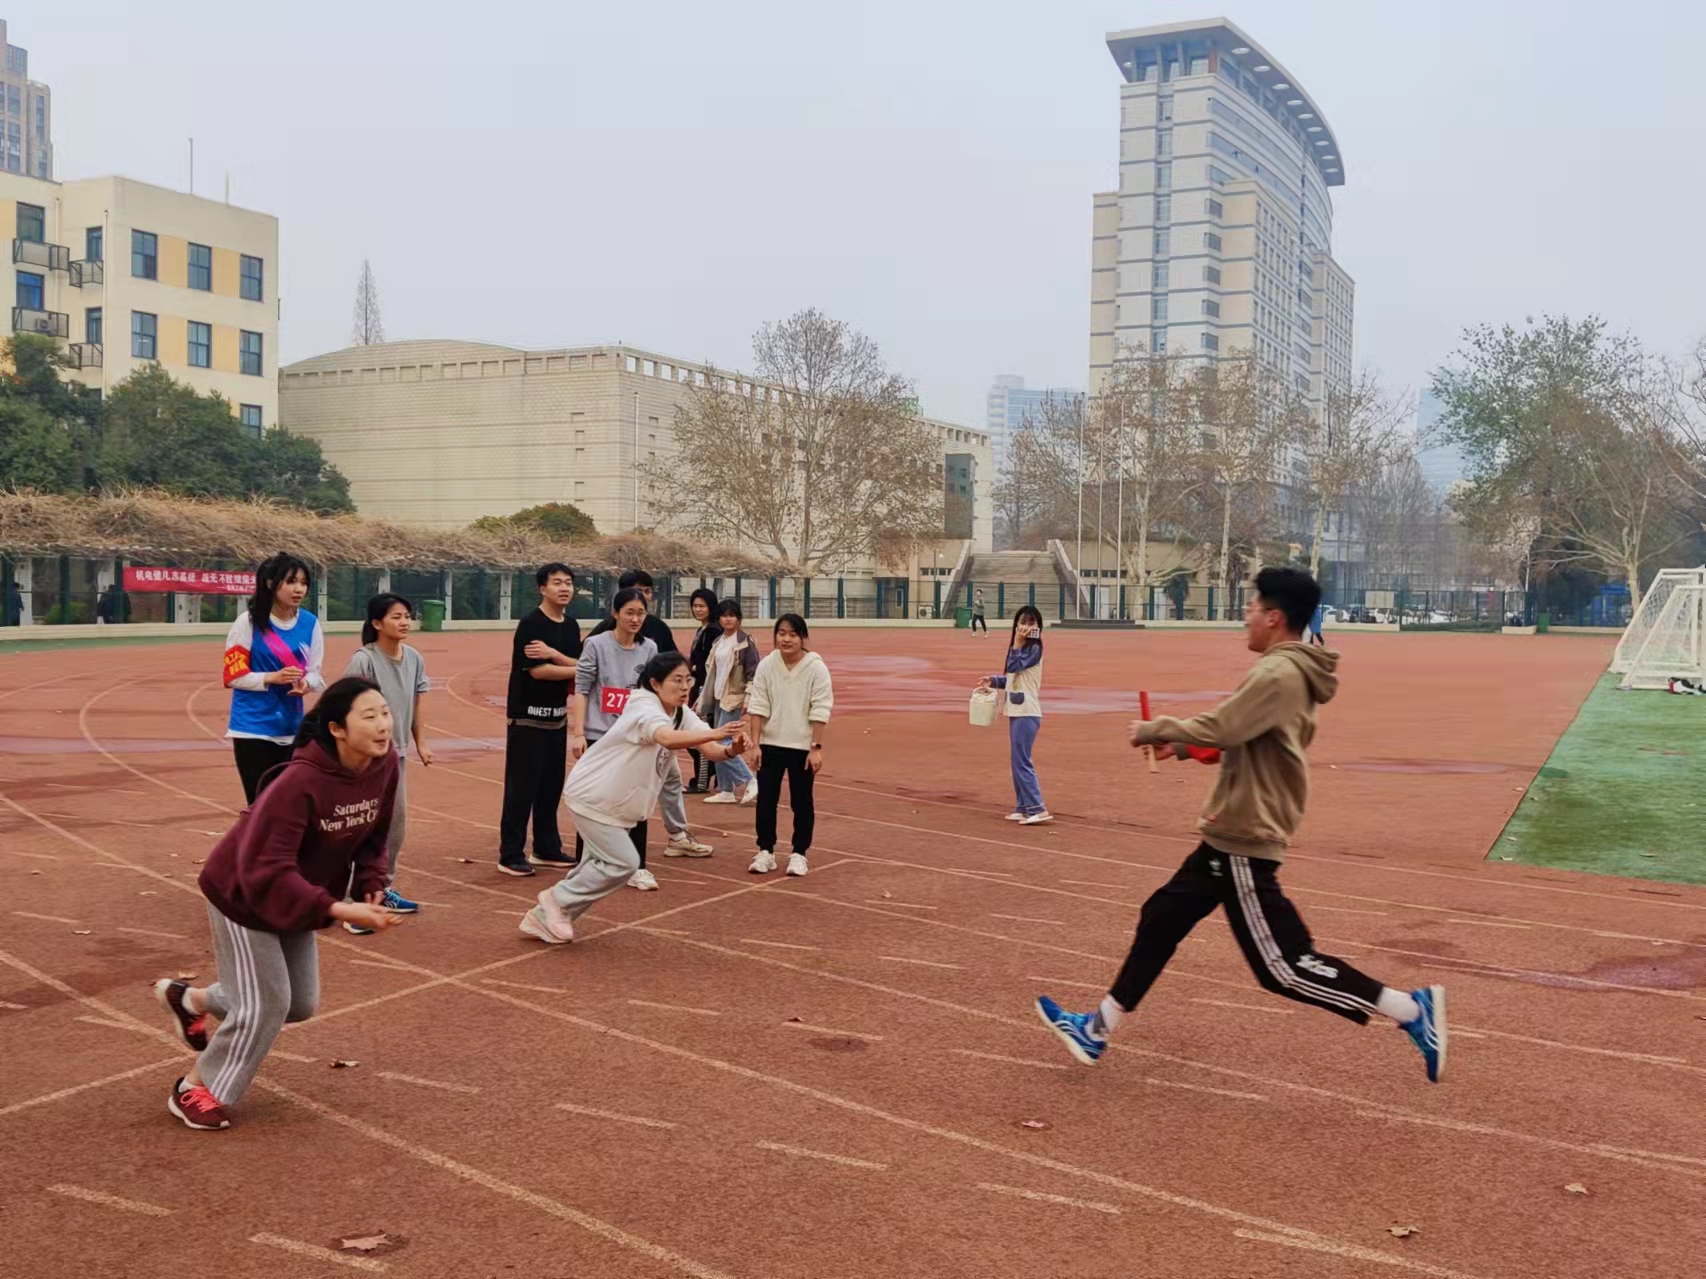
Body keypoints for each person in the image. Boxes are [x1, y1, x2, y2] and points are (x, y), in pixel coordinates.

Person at [1034, 566, 1447, 1082]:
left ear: (1273, 617)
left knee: (1283, 967)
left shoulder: (1278, 673)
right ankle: (1095, 1030)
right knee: (1161, 917)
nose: (1245, 618)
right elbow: (1245, 736)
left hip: (1244, 839)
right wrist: (1182, 747)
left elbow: (1226, 726)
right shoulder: (1285, 671)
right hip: (1227, 834)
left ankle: (1410, 1009)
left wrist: (1155, 729)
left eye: (1251, 608)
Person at [152, 678, 403, 1130]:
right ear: (337, 729)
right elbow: (267, 870)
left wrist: (371, 880)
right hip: (243, 891)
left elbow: (376, 834)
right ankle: (195, 1087)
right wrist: (339, 909)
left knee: (299, 1003)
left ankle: (191, 1000)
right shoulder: (299, 782)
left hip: (296, 893)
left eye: (385, 713)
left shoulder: (383, 766)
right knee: (266, 1005)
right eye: (369, 716)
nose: (383, 725)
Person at [522, 653, 748, 944]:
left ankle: (545, 915)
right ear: (655, 683)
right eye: (677, 680)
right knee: (624, 863)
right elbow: (664, 737)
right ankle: (556, 902)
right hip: (595, 796)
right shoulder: (643, 707)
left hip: (617, 804)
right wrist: (716, 732)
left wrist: (731, 749)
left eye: (688, 680)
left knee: (595, 867)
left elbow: (712, 750)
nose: (684, 687)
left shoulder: (680, 713)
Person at [586, 570, 713, 860]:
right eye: (636, 592)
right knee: (614, 790)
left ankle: (675, 836)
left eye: (647, 591)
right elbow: (584, 673)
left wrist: (680, 691)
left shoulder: (655, 634)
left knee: (669, 777)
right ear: (618, 606)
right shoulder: (600, 637)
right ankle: (608, 851)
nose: (642, 600)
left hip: (652, 724)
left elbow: (672, 665)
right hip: (611, 730)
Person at [340, 593, 433, 930]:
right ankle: (355, 902)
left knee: (395, 825)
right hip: (365, 759)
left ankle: (381, 888)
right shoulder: (364, 661)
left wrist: (420, 743)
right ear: (377, 623)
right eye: (396, 616)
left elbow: (416, 704)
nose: (404, 622)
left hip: (397, 755)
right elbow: (345, 707)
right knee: (362, 825)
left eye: (407, 615)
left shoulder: (414, 658)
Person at [572, 588, 662, 888]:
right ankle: (586, 863)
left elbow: (652, 692)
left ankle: (637, 866)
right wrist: (578, 733)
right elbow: (582, 688)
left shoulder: (649, 648)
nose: (635, 619)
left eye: (641, 613)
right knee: (594, 798)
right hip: (599, 734)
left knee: (635, 796)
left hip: (634, 735)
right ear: (615, 613)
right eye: (629, 613)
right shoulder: (596, 645)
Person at [498, 564, 582, 877]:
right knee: (521, 791)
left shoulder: (571, 626)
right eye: (557, 582)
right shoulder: (531, 624)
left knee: (550, 789)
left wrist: (556, 656)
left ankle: (546, 848)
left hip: (557, 720)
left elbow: (578, 662)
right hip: (527, 721)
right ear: (542, 588)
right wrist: (578, 668)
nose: (564, 588)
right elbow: (538, 671)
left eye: (568, 582)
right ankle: (510, 854)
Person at [223, 553, 326, 805]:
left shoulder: (310, 624)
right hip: (252, 728)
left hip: (291, 727)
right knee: (261, 805)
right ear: (270, 583)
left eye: (303, 583)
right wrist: (272, 678)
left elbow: (315, 672)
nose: (299, 589)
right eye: (291, 581)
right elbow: (233, 676)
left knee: (289, 805)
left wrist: (306, 684)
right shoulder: (248, 622)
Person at [744, 614, 833, 878]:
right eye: (781, 633)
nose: (786, 639)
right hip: (770, 743)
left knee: (801, 801)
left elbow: (821, 708)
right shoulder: (767, 665)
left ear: (802, 637)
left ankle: (799, 853)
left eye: (793, 634)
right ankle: (765, 851)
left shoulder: (816, 668)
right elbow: (758, 705)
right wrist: (755, 744)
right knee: (766, 801)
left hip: (801, 746)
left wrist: (816, 747)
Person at [976, 604, 1050, 825]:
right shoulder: (1023, 649)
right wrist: (993, 680)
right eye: (1022, 621)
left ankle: (1037, 808)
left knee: (1022, 761)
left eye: (1031, 622)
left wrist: (1017, 643)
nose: (1026, 626)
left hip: (1027, 712)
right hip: (1018, 710)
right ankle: (1023, 807)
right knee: (1016, 760)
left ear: (1038, 626)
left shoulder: (1034, 648)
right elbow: (1012, 677)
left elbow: (1014, 666)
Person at [699, 598, 760, 806]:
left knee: (722, 743)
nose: (728, 619)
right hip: (718, 696)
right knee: (717, 740)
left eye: (732, 615)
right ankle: (725, 789)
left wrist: (748, 698)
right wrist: (702, 698)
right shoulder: (718, 641)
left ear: (739, 618)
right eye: (724, 616)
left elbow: (753, 671)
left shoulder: (745, 642)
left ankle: (748, 779)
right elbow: (712, 672)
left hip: (734, 697)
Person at [684, 587, 721, 793]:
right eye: (695, 606)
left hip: (704, 689)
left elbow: (710, 664)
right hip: (696, 686)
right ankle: (711, 772)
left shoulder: (712, 631)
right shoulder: (703, 630)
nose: (698, 609)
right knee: (693, 733)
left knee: (699, 734)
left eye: (702, 606)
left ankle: (702, 780)